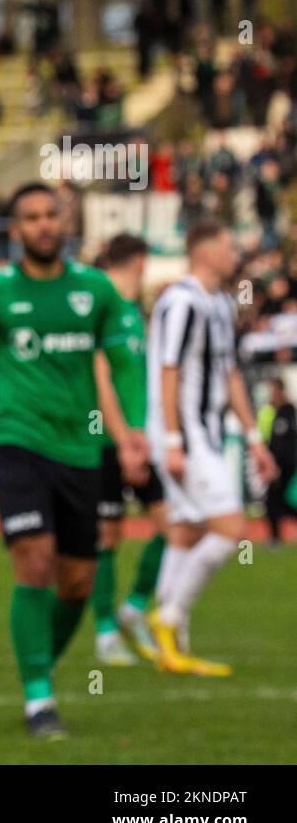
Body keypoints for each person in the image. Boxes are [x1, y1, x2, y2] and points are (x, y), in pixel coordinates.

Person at [0, 182, 145, 739]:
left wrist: (136, 431)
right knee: (34, 560)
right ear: (16, 231)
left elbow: (125, 364)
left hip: (81, 447)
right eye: (30, 217)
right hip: (16, 440)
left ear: (64, 223)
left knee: (77, 583)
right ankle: (39, 697)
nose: (42, 225)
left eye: (50, 216)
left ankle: (40, 662)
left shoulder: (96, 291)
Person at [145, 218, 278, 675]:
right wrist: (173, 439)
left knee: (187, 530)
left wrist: (254, 438)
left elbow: (229, 374)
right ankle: (170, 617)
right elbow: (168, 371)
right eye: (226, 245)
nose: (234, 252)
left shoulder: (220, 303)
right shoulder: (180, 302)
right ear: (203, 251)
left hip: (206, 431)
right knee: (229, 528)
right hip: (185, 434)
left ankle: (168, 643)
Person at [88, 235, 168, 666]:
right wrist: (123, 442)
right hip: (106, 443)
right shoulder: (104, 306)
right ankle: (105, 633)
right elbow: (101, 382)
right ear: (140, 259)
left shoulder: (136, 311)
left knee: (171, 527)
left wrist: (142, 436)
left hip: (137, 440)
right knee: (107, 537)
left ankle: (133, 608)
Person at [261, 377, 295, 547]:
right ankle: (275, 538)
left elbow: (283, 444)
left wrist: (275, 466)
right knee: (277, 501)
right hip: (278, 465)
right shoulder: (274, 412)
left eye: (273, 391)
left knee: (277, 502)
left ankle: (275, 540)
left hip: (283, 466)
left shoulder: (287, 412)